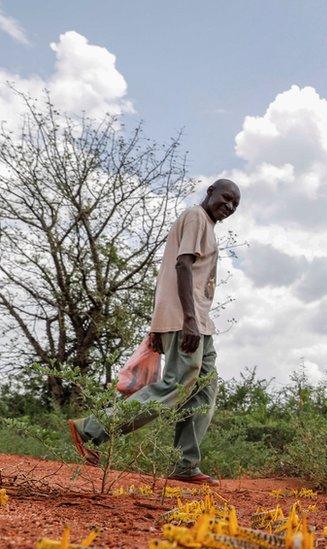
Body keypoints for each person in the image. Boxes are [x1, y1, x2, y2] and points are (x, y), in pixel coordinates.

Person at [67, 179, 241, 486]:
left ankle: (184, 465)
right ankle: (90, 429)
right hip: (186, 319)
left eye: (234, 205)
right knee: (176, 385)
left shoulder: (206, 225)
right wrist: (187, 319)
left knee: (204, 390)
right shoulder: (195, 217)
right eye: (226, 198)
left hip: (199, 321)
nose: (228, 207)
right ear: (210, 191)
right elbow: (182, 265)